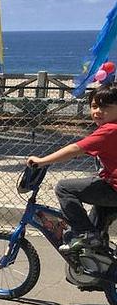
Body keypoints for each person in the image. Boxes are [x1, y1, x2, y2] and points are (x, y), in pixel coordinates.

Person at [26, 82, 117, 252]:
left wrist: (42, 161)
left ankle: (86, 235)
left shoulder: (110, 130)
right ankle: (98, 257)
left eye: (105, 107)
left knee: (64, 188)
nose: (98, 111)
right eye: (94, 106)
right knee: (98, 217)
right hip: (111, 186)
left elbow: (75, 149)